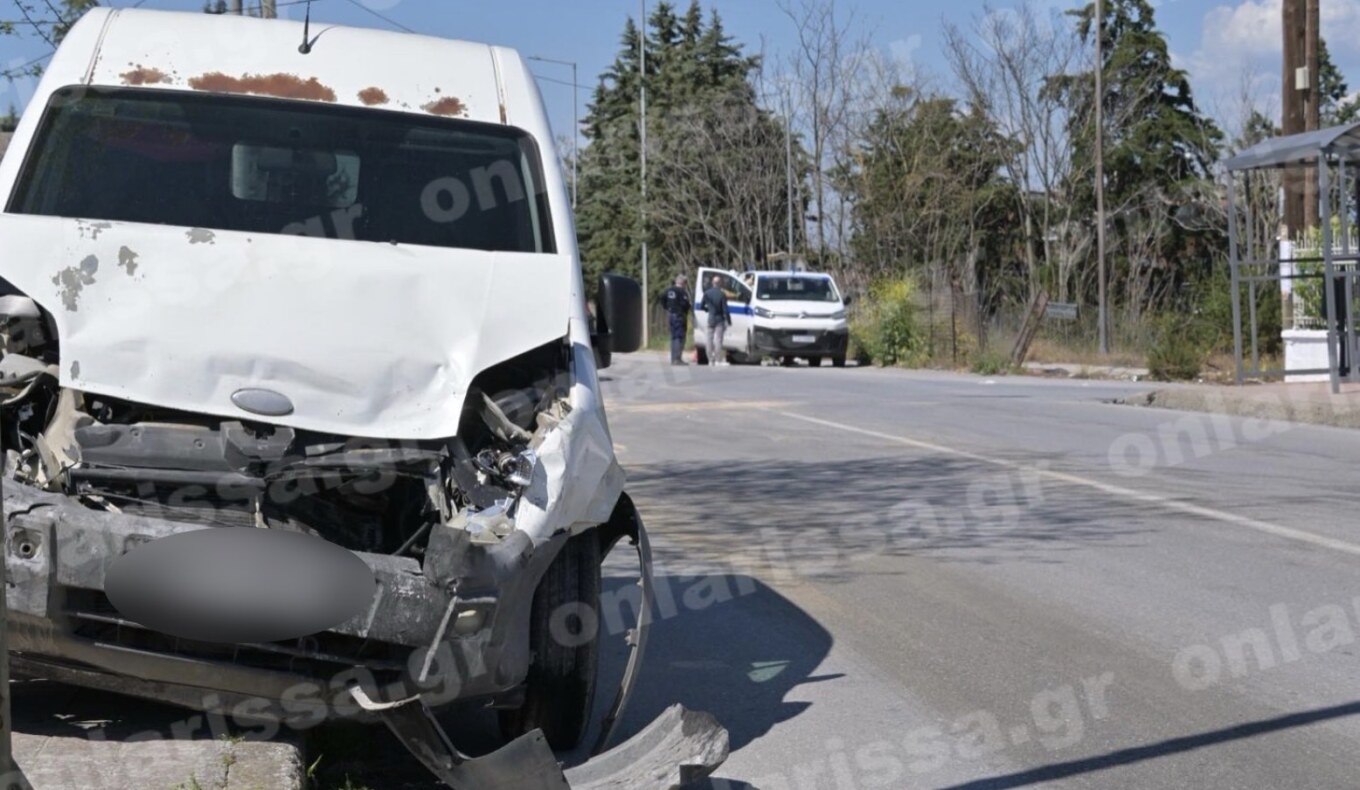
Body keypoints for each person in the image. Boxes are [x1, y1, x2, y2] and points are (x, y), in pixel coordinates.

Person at [699, 275, 732, 366]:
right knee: (718, 339)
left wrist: (707, 310)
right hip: (719, 319)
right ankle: (717, 359)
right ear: (720, 283)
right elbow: (725, 309)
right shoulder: (722, 294)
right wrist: (729, 320)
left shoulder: (707, 293)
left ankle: (710, 359)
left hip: (711, 318)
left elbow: (701, 306)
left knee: (709, 339)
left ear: (712, 283)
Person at [660, 274, 692, 365]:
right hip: (679, 315)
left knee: (673, 337)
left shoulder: (668, 290)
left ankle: (673, 358)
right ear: (684, 283)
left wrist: (667, 307)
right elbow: (685, 304)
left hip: (670, 315)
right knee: (679, 337)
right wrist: (688, 308)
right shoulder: (682, 292)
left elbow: (662, 299)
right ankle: (677, 359)